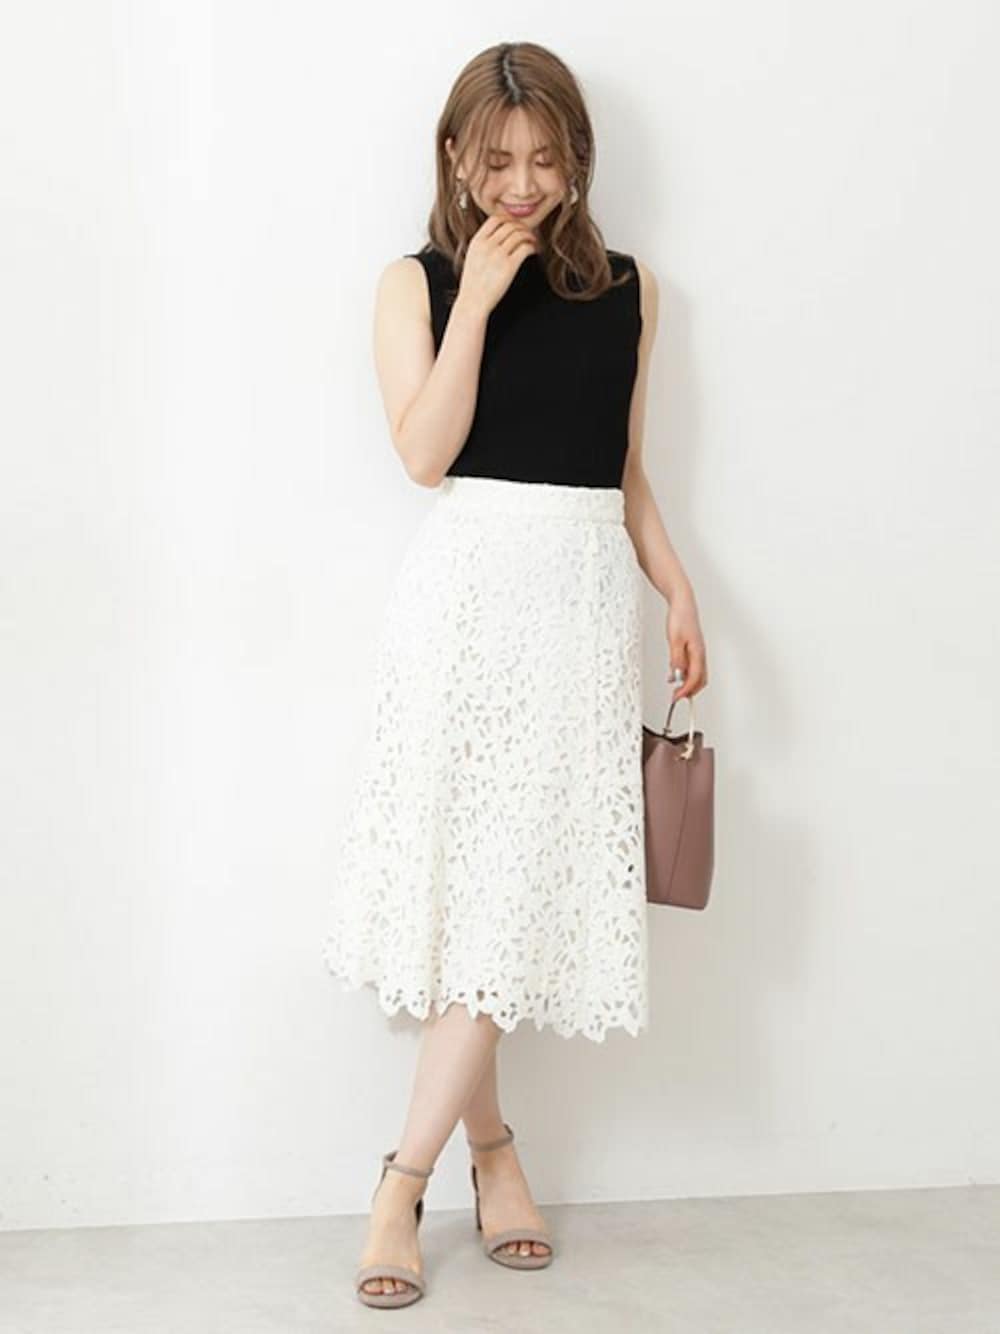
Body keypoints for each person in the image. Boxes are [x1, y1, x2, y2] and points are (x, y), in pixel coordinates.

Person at [322, 40, 708, 1310]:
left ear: (577, 156)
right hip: (465, 607)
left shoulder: (631, 289)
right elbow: (424, 455)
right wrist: (478, 301)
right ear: (455, 157)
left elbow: (624, 467)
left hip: (579, 611)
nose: (524, 184)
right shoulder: (413, 282)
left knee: (505, 889)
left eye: (547, 158)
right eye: (498, 161)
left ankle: (458, 1159)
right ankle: (429, 1170)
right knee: (469, 897)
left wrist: (676, 585)